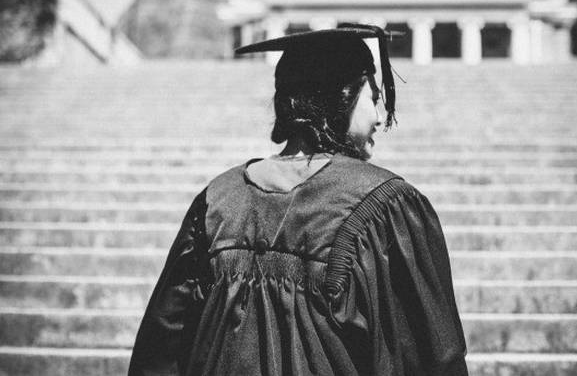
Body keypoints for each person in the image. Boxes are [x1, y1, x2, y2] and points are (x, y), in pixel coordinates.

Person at [128, 24, 468, 376]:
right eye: (374, 98)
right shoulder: (387, 206)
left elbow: (160, 349)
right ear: (343, 98)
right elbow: (435, 357)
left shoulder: (216, 201)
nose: (380, 117)